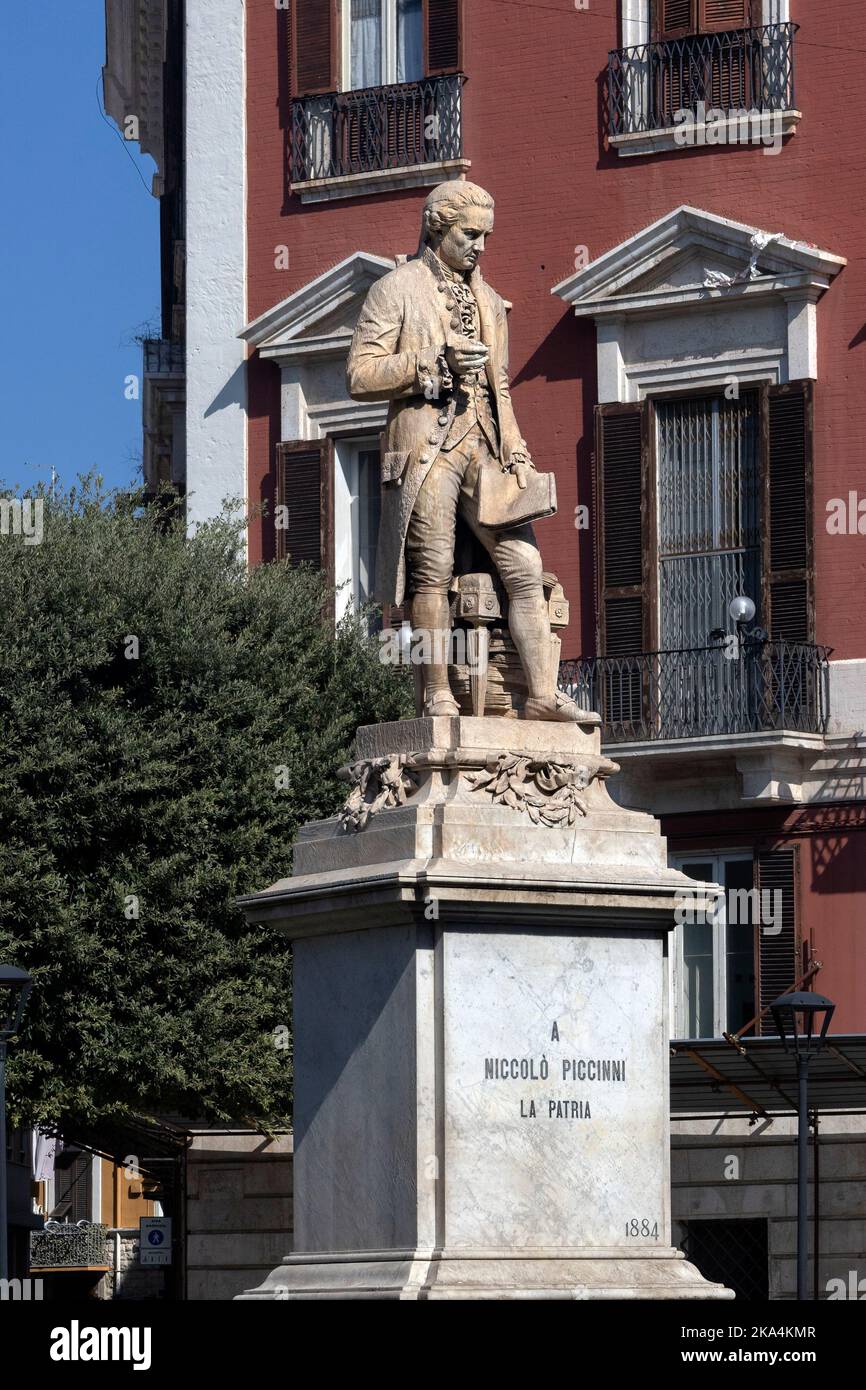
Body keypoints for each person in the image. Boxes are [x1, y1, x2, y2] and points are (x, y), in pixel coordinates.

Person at [347, 179, 580, 721]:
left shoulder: (492, 301)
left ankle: (542, 695)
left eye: (485, 236)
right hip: (427, 448)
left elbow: (501, 384)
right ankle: (437, 692)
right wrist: (431, 362)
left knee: (525, 566)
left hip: (486, 449)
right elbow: (359, 375)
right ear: (438, 228)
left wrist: (517, 449)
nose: (481, 246)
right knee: (431, 572)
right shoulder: (396, 288)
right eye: (470, 234)